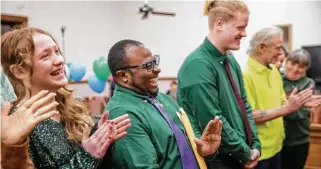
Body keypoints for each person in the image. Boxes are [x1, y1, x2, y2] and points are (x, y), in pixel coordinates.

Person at [1, 27, 131, 168]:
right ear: (19, 71)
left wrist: (99, 139)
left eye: (57, 51)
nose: (59, 60)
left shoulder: (72, 106)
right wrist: (88, 155)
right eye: (45, 56)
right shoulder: (19, 125)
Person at [100, 39, 223, 169]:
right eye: (148, 65)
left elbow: (179, 151)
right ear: (123, 75)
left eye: (154, 62)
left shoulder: (164, 99)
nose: (157, 69)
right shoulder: (122, 113)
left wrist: (202, 151)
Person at [177, 1, 261, 169]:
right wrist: (244, 153)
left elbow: (243, 104)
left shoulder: (229, 59)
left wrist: (255, 144)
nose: (244, 34)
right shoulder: (198, 65)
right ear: (220, 24)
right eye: (240, 27)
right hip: (217, 160)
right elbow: (213, 119)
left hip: (239, 154)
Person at [242, 27, 320, 169]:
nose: (281, 54)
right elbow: (249, 117)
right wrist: (288, 107)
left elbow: (283, 103)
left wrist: (299, 104)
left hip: (278, 148)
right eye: (278, 48)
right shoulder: (244, 76)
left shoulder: (274, 72)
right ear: (261, 47)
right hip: (259, 153)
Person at [281, 49, 318, 169]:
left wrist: (280, 108)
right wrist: (292, 106)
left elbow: (299, 114)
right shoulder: (277, 79)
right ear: (286, 62)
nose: (295, 69)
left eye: (301, 66)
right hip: (278, 141)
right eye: (292, 63)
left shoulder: (308, 83)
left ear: (306, 68)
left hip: (299, 140)